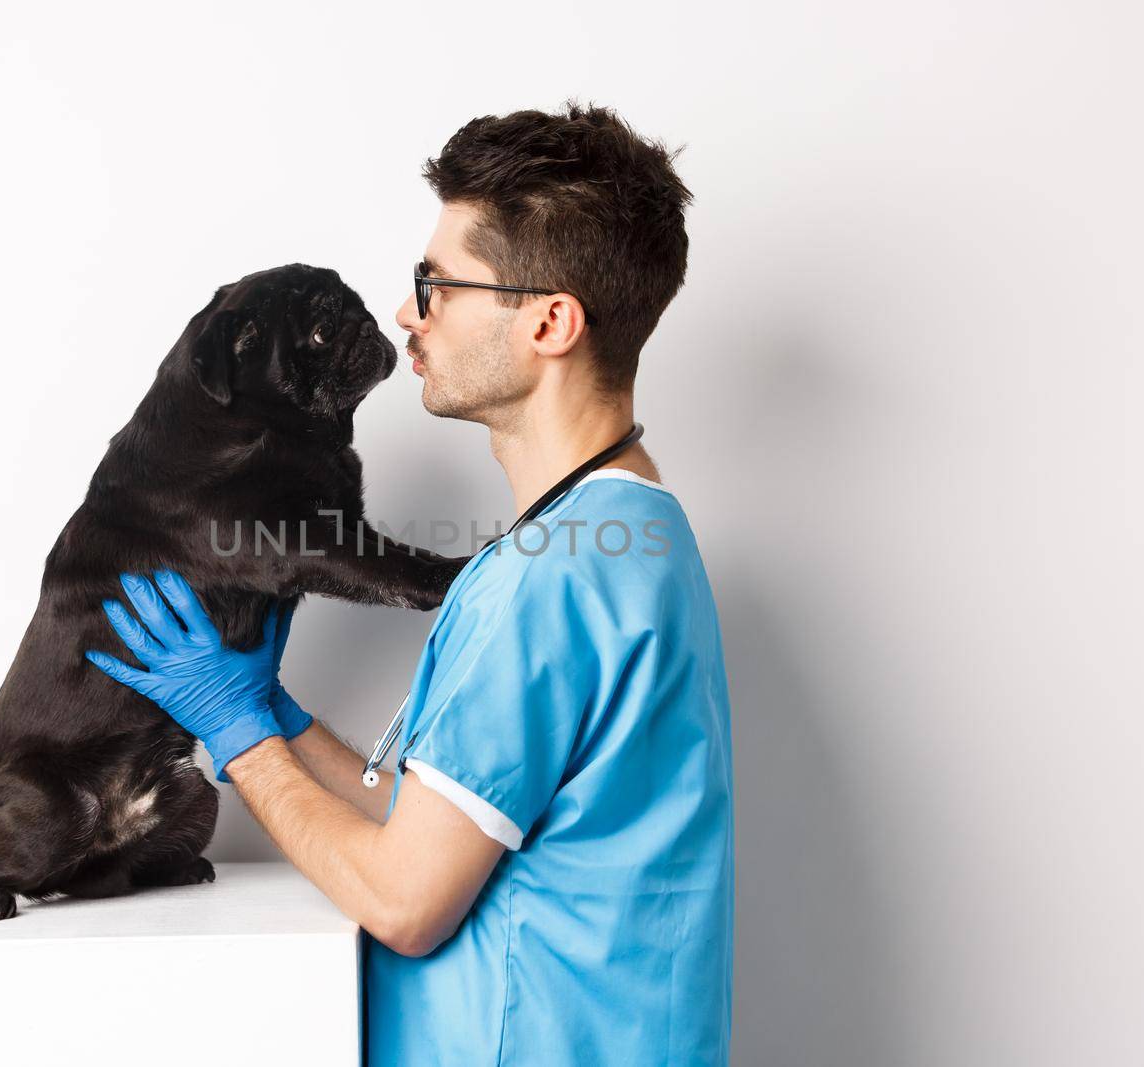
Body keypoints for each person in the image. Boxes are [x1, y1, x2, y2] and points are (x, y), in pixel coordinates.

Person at [86, 102, 734, 1065]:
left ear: (551, 321)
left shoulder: (551, 581)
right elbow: (439, 819)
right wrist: (276, 713)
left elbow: (405, 898)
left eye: (435, 285)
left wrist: (237, 733)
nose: (405, 315)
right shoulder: (627, 533)